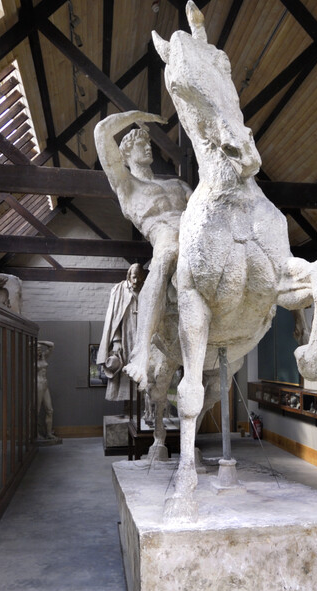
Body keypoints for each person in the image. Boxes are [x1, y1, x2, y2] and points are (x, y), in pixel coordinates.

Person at [94, 111, 193, 389]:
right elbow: (101, 132)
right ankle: (141, 351)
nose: (147, 147)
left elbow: (202, 208)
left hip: (193, 232)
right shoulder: (126, 186)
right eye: (140, 144)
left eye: (148, 143)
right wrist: (137, 115)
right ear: (125, 154)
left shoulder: (178, 184)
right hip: (164, 236)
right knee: (165, 255)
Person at [97, 263, 144, 401]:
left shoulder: (145, 289)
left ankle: (141, 401)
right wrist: (116, 340)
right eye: (134, 277)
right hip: (125, 335)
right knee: (124, 369)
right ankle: (127, 402)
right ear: (129, 276)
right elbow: (113, 319)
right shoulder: (119, 290)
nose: (136, 281)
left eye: (139, 278)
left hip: (141, 336)